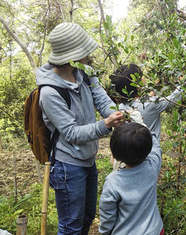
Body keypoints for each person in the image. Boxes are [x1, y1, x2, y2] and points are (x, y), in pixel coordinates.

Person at [36, 22, 124, 234]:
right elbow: (72, 133)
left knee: (86, 219)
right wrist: (105, 125)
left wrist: (117, 114)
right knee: (70, 226)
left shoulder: (84, 73)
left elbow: (102, 101)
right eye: (83, 52)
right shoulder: (50, 93)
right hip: (68, 166)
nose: (87, 56)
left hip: (88, 160)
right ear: (71, 56)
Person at [98, 123, 164, 235]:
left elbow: (107, 215)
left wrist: (104, 232)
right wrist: (144, 125)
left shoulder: (113, 181)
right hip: (155, 231)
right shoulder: (153, 166)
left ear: (115, 153)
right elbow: (156, 147)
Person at [109, 63, 182, 140]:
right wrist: (183, 82)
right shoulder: (151, 104)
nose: (143, 78)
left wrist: (155, 89)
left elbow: (141, 103)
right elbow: (174, 98)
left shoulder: (119, 109)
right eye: (141, 75)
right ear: (135, 83)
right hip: (152, 150)